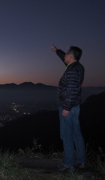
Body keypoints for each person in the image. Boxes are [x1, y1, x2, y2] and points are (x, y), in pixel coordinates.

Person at [51, 44, 86, 172]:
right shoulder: (78, 67)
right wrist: (57, 51)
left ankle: (68, 163)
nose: (64, 56)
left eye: (66, 54)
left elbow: (72, 89)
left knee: (66, 135)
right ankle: (81, 160)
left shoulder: (71, 70)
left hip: (68, 107)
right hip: (75, 106)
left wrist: (66, 108)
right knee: (76, 133)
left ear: (71, 56)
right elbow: (64, 59)